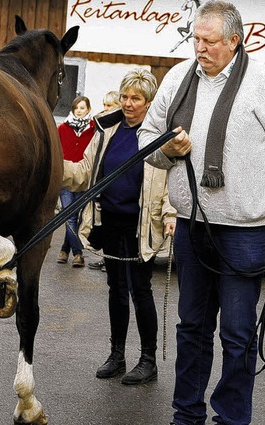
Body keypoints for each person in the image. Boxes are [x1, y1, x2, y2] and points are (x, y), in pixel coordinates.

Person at [138, 1, 265, 425]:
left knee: (236, 332)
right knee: (192, 325)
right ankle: (187, 418)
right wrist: (168, 149)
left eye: (209, 41)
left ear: (234, 41)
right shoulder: (177, 79)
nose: (199, 48)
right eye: (195, 39)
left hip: (245, 230)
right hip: (192, 223)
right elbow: (146, 138)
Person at [63, 68, 176, 385]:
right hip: (109, 219)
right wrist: (55, 169)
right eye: (124, 96)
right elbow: (85, 171)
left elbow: (169, 180)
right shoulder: (107, 130)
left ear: (148, 102)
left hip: (141, 225)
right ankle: (117, 355)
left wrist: (170, 214)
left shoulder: (157, 135)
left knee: (140, 290)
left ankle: (148, 360)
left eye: (135, 98)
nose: (128, 103)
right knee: (116, 289)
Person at [57, 96, 96, 267]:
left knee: (78, 216)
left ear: (88, 109)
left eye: (82, 107)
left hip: (84, 178)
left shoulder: (94, 129)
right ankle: (78, 253)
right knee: (69, 216)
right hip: (66, 177)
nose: (79, 111)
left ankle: (64, 250)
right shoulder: (62, 128)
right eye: (76, 108)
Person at [88, 91, 122, 272]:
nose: (105, 109)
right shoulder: (102, 127)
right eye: (104, 105)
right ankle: (107, 259)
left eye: (109, 106)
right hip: (103, 192)